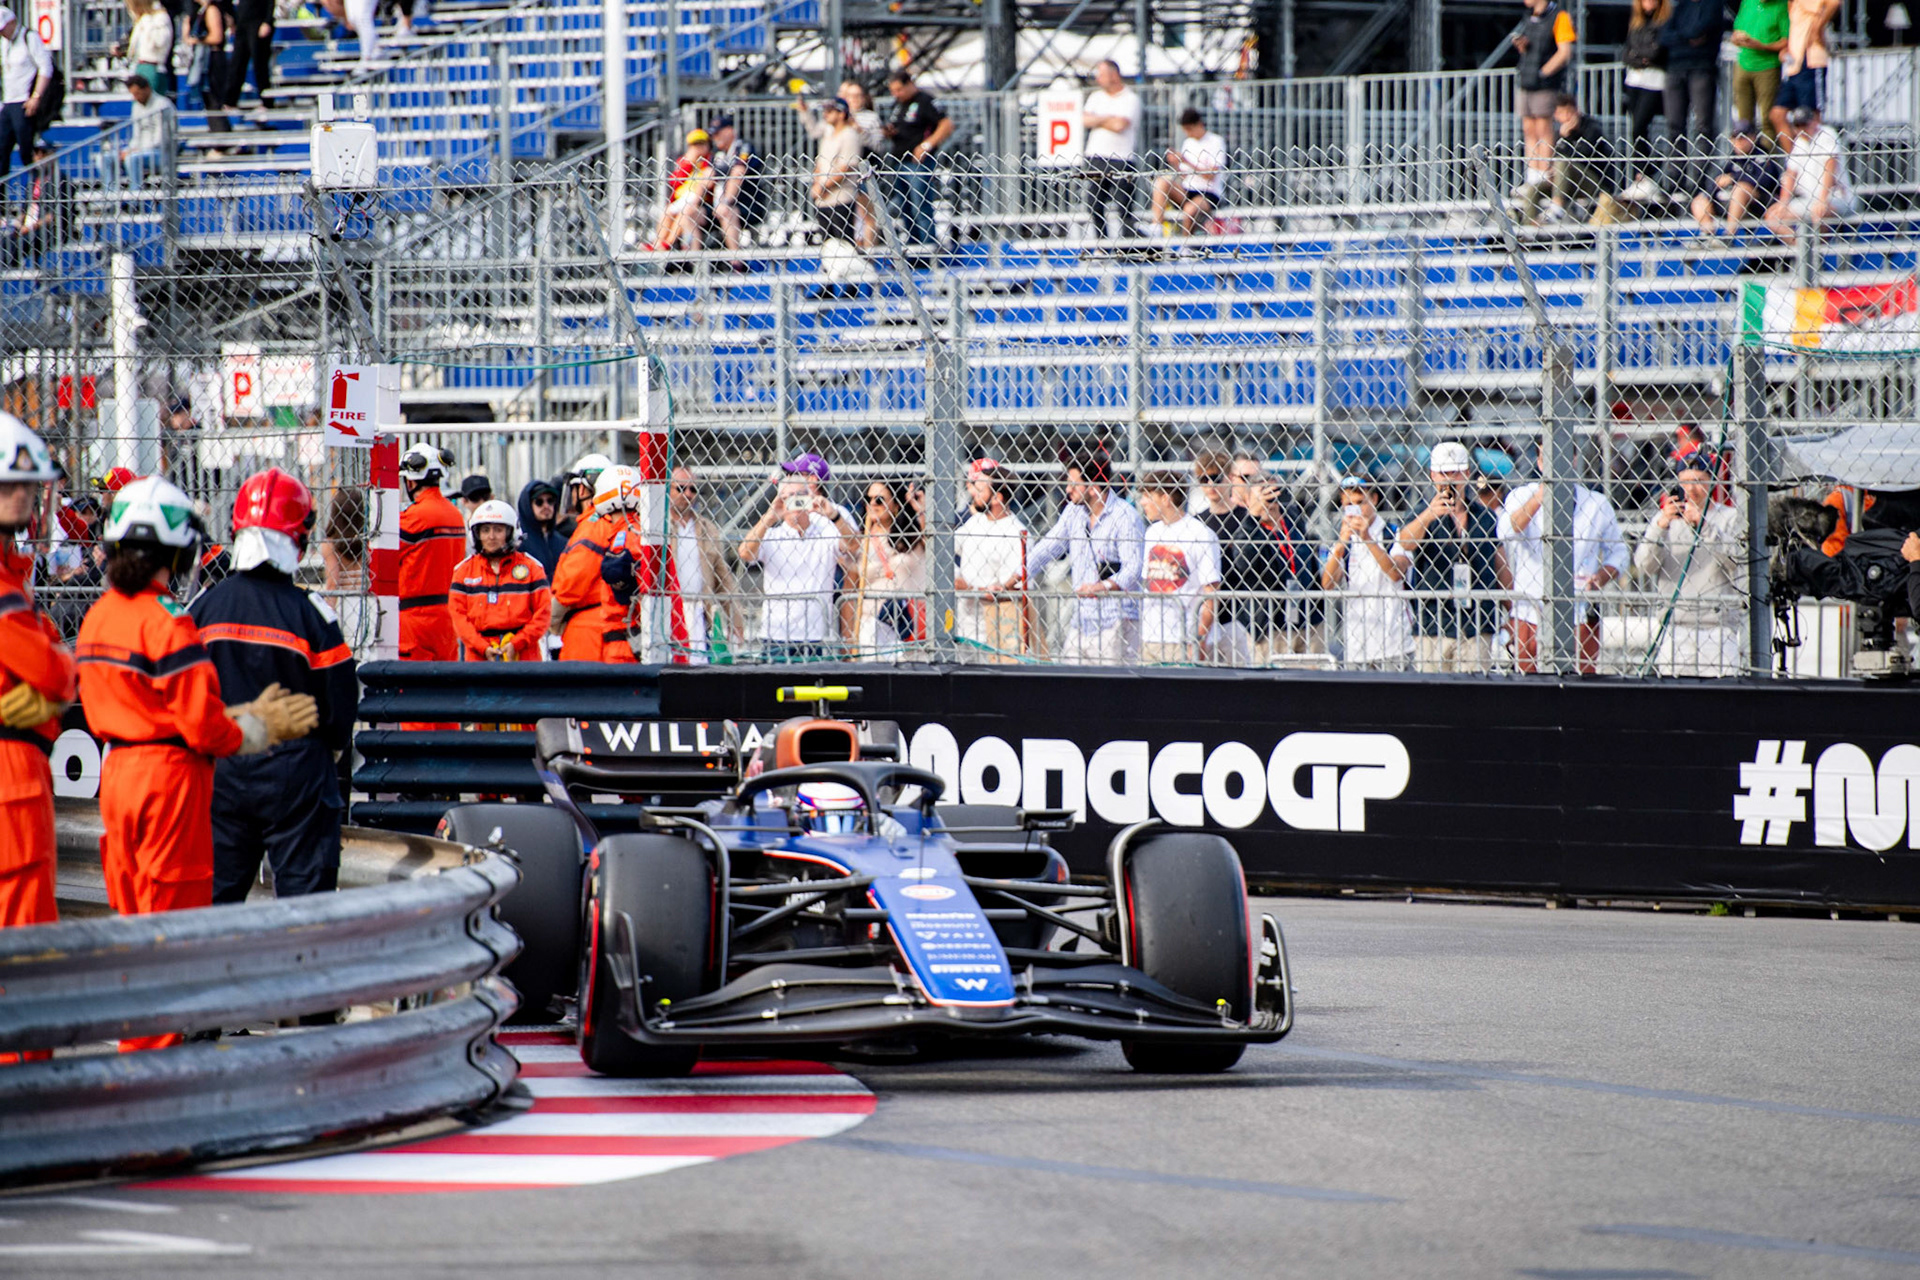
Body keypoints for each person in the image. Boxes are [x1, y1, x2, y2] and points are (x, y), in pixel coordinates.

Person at [77, 476, 317, 1048]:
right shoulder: (168, 622)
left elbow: (147, 701)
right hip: (170, 785)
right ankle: (160, 1097)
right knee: (173, 932)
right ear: (179, 552)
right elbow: (203, 727)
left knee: (134, 928)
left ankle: (136, 1054)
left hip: (119, 778)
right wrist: (255, 725)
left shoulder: (98, 617)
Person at [190, 469, 358, 904]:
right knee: (304, 909)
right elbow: (339, 709)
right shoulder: (312, 614)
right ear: (299, 537)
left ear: (236, 528)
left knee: (211, 903)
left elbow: (182, 691)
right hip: (296, 774)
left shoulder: (202, 608)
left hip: (221, 767)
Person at [0, 416, 74, 945]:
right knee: (26, 957)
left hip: (20, 776)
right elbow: (50, 669)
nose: (23, 495)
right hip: (11, 782)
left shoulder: (14, 576)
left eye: (27, 484)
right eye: (10, 484)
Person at [1499, 443, 1629, 675]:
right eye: (1547, 459)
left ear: (1574, 461)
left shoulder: (1596, 503)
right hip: (1530, 609)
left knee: (1581, 683)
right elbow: (1507, 531)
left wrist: (1600, 577)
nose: (1554, 466)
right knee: (1528, 683)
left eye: (1561, 459)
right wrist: (1540, 496)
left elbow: (1619, 552)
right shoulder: (1521, 495)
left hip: (1579, 608)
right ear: (1539, 463)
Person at [1025, 443, 1145, 666]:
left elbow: (1133, 569)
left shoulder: (1125, 517)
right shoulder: (1073, 511)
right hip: (1082, 619)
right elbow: (1048, 547)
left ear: (1092, 486)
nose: (1067, 490)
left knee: (1111, 691)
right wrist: (1020, 575)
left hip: (1116, 620)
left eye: (1073, 484)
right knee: (1073, 685)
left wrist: (1101, 587)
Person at [1397, 442, 1509, 673]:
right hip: (1434, 622)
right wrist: (1430, 514)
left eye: (1456, 472)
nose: (1450, 479)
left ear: (1467, 474)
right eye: (1444, 473)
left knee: (1474, 693)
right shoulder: (1421, 512)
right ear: (1433, 475)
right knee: (1432, 693)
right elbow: (1406, 541)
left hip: (1477, 622)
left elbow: (1500, 564)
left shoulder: (1485, 516)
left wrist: (1511, 609)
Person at [739, 455, 858, 662]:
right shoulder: (772, 534)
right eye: (788, 497)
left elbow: (853, 546)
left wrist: (833, 516)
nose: (794, 502)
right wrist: (769, 517)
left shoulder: (826, 525)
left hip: (817, 635)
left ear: (810, 494)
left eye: (800, 496)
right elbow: (745, 553)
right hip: (776, 634)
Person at [1632, 466, 1745, 676]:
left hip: (1718, 628)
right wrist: (1661, 526)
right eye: (1685, 482)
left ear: (1712, 482)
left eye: (1699, 481)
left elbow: (1736, 559)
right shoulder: (1664, 519)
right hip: (1676, 627)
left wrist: (1703, 526)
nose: (1692, 489)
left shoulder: (1729, 517)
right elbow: (1644, 564)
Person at [1227, 451, 1319, 657]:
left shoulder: (1292, 520)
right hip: (1269, 625)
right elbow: (1244, 563)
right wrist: (1254, 515)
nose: (1270, 497)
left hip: (1306, 619)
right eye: (1263, 492)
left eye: (1272, 491)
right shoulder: (1247, 527)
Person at [1194, 451, 1281, 666]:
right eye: (1203, 479)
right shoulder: (1197, 522)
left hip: (1240, 615)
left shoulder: (1248, 517)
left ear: (1229, 478)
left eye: (1215, 478)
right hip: (1208, 614)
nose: (1210, 485)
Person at [1321, 473, 1413, 670]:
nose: (1355, 510)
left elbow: (1396, 573)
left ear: (1374, 499)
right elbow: (1327, 584)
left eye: (1360, 502)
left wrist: (1367, 538)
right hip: (1357, 643)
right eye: (1349, 504)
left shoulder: (1393, 532)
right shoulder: (1342, 538)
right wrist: (1340, 545)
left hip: (1393, 641)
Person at [448, 498, 549, 661]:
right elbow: (458, 617)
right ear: (477, 534)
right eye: (485, 530)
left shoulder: (531, 569)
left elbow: (543, 614)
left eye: (498, 530)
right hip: (479, 658)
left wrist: (517, 643)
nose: (491, 536)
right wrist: (482, 647)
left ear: (510, 532)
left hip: (523, 656)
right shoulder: (464, 571)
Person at [1135, 472, 1220, 665]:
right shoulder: (1151, 532)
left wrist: (1198, 639)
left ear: (1165, 498)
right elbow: (1149, 583)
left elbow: (1211, 594)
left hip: (1183, 636)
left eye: (1148, 496)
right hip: (1151, 637)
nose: (1142, 502)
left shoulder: (1201, 534)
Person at [954, 457, 1032, 660]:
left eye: (979, 491)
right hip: (963, 625)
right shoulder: (975, 522)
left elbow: (1006, 590)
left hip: (995, 631)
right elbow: (946, 549)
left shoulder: (1017, 532)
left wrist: (974, 589)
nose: (972, 493)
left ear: (997, 497)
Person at [395, 441, 463, 662]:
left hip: (415, 620)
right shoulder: (455, 515)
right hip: (448, 619)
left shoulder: (412, 518)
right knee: (445, 689)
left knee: (411, 690)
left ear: (411, 480)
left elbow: (379, 560)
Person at [846, 480, 927, 659]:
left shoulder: (912, 537)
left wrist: (921, 510)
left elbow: (933, 544)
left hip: (907, 623)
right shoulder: (860, 541)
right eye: (868, 499)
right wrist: (848, 637)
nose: (872, 504)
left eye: (879, 499)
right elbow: (849, 588)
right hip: (871, 623)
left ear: (896, 505)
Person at [668, 464, 741, 662]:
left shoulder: (707, 529)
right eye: (681, 488)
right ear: (668, 490)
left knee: (697, 666)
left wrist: (736, 622)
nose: (688, 493)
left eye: (693, 489)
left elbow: (723, 578)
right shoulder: (660, 527)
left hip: (699, 611)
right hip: (669, 609)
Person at [1519, 96, 1620, 226]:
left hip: (1592, 181)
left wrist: (1565, 139)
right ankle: (1529, 228)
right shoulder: (1559, 133)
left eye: (1569, 112)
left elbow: (1582, 155)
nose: (1566, 117)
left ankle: (1557, 208)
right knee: (1534, 189)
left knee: (1563, 162)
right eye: (1561, 113)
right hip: (1566, 182)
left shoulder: (1592, 128)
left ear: (1576, 111)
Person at [881, 70, 952, 255]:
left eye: (899, 89)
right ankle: (913, 249)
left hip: (917, 163)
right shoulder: (899, 104)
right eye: (893, 91)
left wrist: (926, 145)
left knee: (920, 205)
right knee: (905, 208)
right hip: (898, 160)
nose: (896, 94)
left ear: (909, 84)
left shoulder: (925, 101)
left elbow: (946, 124)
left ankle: (927, 249)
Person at [1660, 0, 1724, 206]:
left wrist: (1682, 36)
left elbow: (1701, 29)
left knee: (1702, 126)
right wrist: (1688, 37)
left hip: (1702, 68)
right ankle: (1674, 181)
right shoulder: (1681, 7)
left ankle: (1697, 182)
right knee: (1674, 126)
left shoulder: (1712, 6)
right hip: (1675, 69)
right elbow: (1664, 36)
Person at [1511, 0, 1577, 191]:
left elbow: (1564, 52)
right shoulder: (1529, 17)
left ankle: (1543, 175)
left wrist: (1544, 72)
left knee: (1543, 128)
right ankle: (1532, 176)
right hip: (1527, 80)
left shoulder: (1560, 16)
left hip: (1544, 83)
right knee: (1529, 128)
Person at [1765, 105, 1855, 243]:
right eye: (1797, 126)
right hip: (1810, 200)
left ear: (1814, 122)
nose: (1802, 129)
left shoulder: (1827, 134)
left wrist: (1822, 199)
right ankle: (1804, 251)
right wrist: (1783, 202)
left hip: (1837, 197)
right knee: (1773, 216)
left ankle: (1817, 257)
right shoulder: (1799, 142)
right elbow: (1791, 173)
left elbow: (1830, 166)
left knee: (1819, 212)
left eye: (1804, 125)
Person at [1080, 59, 1141, 240]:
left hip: (1122, 158)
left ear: (1113, 75)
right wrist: (1109, 118)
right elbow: (1085, 120)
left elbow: (1120, 125)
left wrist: (1098, 119)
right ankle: (1102, 245)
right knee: (1094, 203)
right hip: (1096, 157)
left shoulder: (1130, 98)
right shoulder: (1096, 97)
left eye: (1102, 75)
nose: (1098, 79)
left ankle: (1129, 247)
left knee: (1124, 205)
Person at [1691, 119, 1781, 240]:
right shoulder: (1732, 159)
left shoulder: (1761, 156)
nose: (1738, 141)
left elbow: (1764, 181)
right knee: (1699, 200)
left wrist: (1733, 178)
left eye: (1742, 137)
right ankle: (1707, 236)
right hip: (1729, 201)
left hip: (1758, 204)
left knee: (1740, 189)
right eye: (1734, 137)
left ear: (1752, 137)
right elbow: (1716, 182)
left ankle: (1729, 235)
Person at [1618, 0, 1670, 203]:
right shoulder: (1636, 22)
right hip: (1634, 80)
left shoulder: (1663, 22)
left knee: (1639, 126)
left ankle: (1650, 172)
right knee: (1635, 129)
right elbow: (1627, 53)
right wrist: (1640, 57)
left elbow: (1656, 52)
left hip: (1654, 81)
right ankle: (1643, 175)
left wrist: (1639, 55)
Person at [1149, 108, 1227, 237]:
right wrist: (1176, 163)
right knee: (1162, 182)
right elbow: (1185, 175)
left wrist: (1186, 161)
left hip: (1208, 193)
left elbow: (1210, 176)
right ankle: (1156, 226)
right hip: (1188, 190)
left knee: (1190, 210)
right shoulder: (1188, 143)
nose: (1187, 133)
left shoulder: (1215, 141)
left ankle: (1186, 245)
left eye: (1189, 129)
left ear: (1199, 125)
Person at [1770, 0, 1837, 142]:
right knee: (1778, 113)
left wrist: (1818, 28)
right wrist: (1787, 47)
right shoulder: (1791, 5)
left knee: (1810, 116)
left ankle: (1817, 154)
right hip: (1794, 64)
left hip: (1811, 60)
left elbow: (1834, 3)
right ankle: (1795, 159)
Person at [0, 6, 53, 180]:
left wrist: (36, 96)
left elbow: (45, 67)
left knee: (27, 153)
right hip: (8, 102)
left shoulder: (29, 37)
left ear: (12, 22)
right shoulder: (4, 43)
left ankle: (39, 195)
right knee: (1, 151)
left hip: (24, 101)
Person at [706, 113, 767, 262]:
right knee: (689, 212)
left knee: (727, 212)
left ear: (729, 130)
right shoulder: (718, 154)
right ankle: (690, 263)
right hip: (717, 206)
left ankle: (736, 263)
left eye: (718, 133)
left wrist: (725, 202)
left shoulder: (743, 147)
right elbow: (706, 178)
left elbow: (738, 174)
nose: (715, 138)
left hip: (747, 205)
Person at [1731, 0, 1790, 146]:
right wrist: (1737, 38)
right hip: (1744, 63)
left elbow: (1786, 40)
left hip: (1767, 66)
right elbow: (1736, 30)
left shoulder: (1780, 6)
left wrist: (1762, 46)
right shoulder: (1748, 2)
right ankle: (1744, 161)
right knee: (1743, 121)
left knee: (1767, 119)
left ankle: (1767, 161)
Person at [104, 76, 175, 193]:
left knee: (132, 158)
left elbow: (161, 138)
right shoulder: (136, 106)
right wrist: (130, 149)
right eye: (133, 94)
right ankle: (109, 198)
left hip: (161, 152)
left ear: (147, 89)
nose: (136, 97)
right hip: (140, 150)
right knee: (106, 158)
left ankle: (135, 199)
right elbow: (136, 135)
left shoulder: (163, 105)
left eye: (138, 93)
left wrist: (135, 151)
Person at [318, 487, 369, 651]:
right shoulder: (368, 539)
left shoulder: (330, 544)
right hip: (368, 600)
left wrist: (327, 615)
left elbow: (333, 582)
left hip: (344, 604)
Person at [810, 96, 862, 249]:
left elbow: (846, 167)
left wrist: (824, 186)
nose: (825, 114)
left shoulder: (849, 135)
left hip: (841, 196)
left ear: (841, 113)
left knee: (844, 242)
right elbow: (820, 163)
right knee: (827, 242)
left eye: (830, 111)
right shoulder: (828, 134)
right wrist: (817, 184)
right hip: (823, 198)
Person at [0, 140, 61, 268]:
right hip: (29, 226)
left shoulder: (60, 180)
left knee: (23, 241)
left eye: (42, 152)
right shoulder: (33, 179)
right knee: (5, 241)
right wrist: (18, 224)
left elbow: (55, 216)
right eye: (36, 152)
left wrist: (30, 227)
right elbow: (25, 210)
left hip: (48, 230)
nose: (38, 156)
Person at [652, 128, 714, 252]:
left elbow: (709, 184)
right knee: (668, 212)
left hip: (702, 202)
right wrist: (688, 163)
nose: (698, 148)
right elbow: (675, 182)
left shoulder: (710, 161)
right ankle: (658, 242)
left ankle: (668, 243)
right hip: (684, 198)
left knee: (684, 213)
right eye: (695, 145)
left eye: (701, 144)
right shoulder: (686, 161)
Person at [187, 0, 231, 131]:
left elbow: (217, 36)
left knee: (214, 100)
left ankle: (222, 138)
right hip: (206, 60)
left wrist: (197, 40)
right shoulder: (200, 11)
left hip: (213, 60)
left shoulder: (212, 10)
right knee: (209, 100)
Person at [224, 0, 273, 111]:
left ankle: (267, 101)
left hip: (258, 21)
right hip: (242, 24)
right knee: (237, 63)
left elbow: (270, 3)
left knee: (259, 63)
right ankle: (230, 101)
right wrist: (232, 18)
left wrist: (267, 22)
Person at [515, 477, 566, 578]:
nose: (546, 506)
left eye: (550, 501)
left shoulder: (563, 542)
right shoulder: (519, 545)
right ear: (528, 506)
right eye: (539, 502)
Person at [121, 0, 175, 92]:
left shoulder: (160, 18)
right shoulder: (142, 20)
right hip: (139, 66)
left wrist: (148, 25)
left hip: (152, 67)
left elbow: (159, 42)